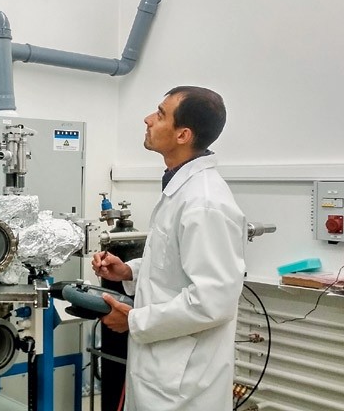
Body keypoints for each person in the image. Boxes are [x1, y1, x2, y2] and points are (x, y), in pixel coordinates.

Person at [92, 86, 246, 411]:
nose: (148, 119)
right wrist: (129, 271)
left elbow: (212, 301)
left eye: (161, 115)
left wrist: (134, 321)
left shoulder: (204, 203)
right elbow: (175, 266)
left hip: (184, 385)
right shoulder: (181, 189)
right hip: (162, 371)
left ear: (183, 135)